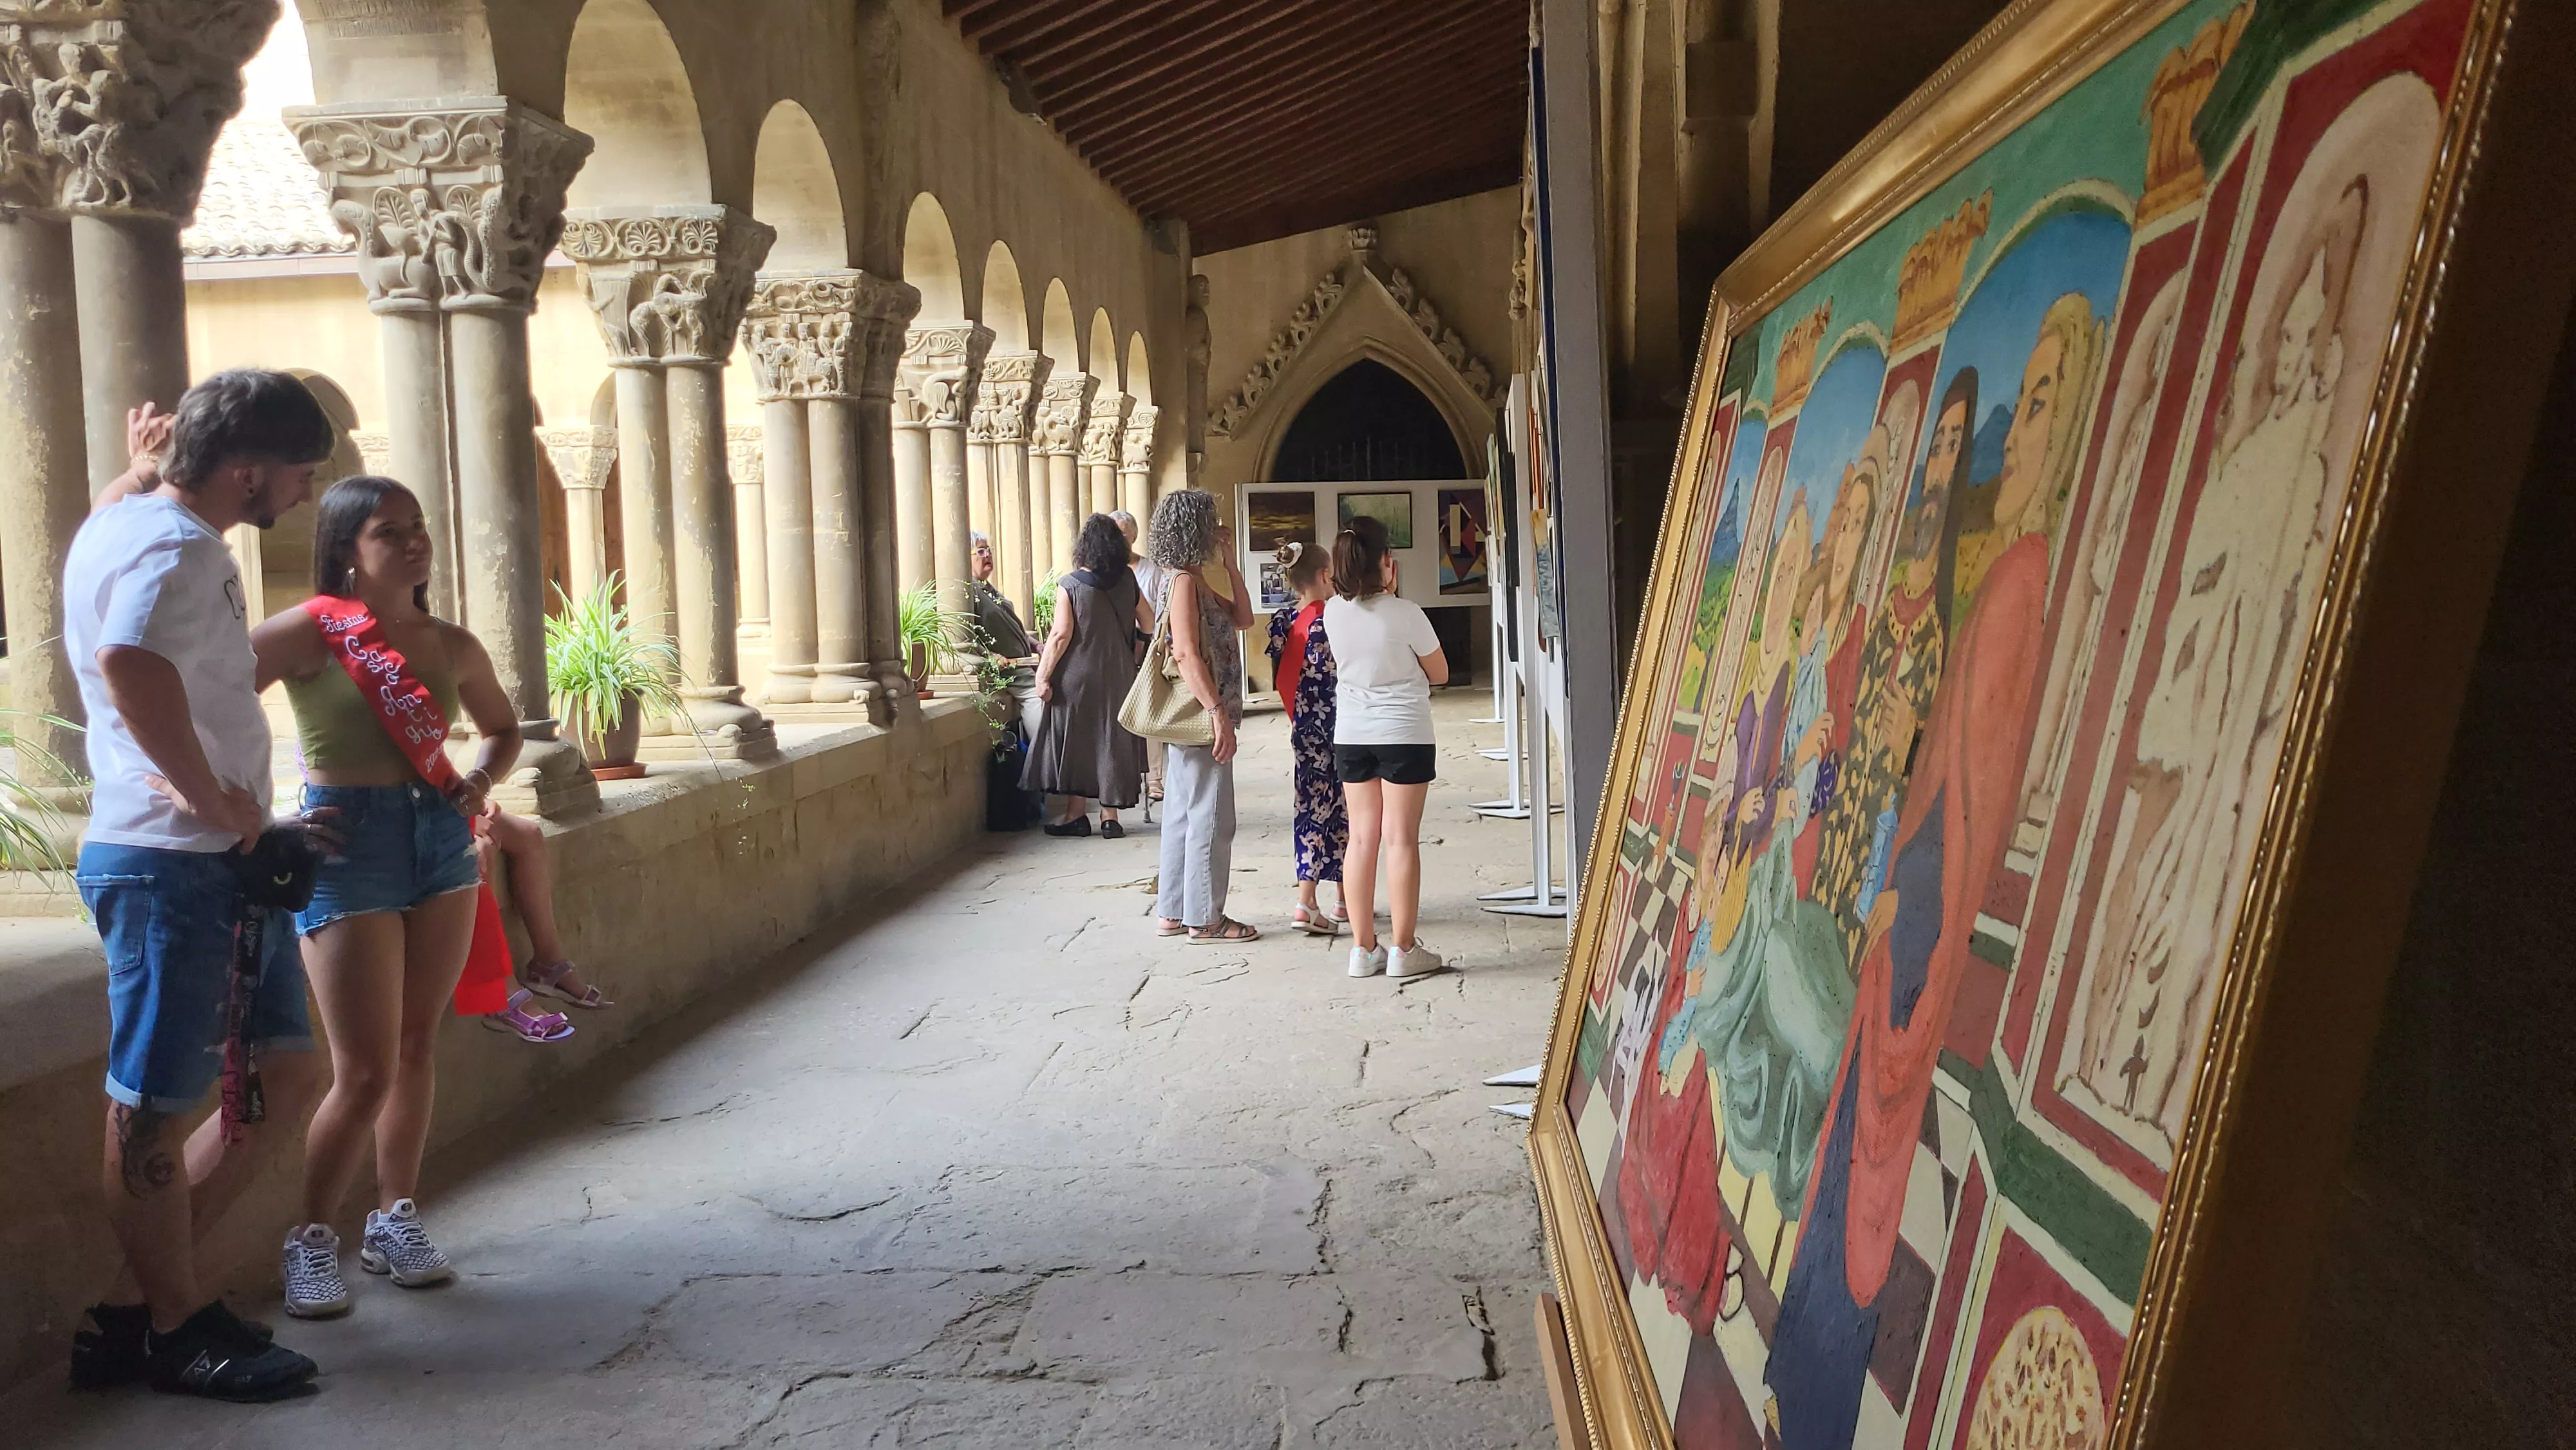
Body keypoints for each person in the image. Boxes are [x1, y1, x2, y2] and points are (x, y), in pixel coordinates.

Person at [62, 372, 335, 1399]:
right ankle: (174, 1329)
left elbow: (114, 534)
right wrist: (217, 803)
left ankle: (138, 1312)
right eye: (299, 474)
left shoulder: (133, 519)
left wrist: (134, 468)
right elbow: (126, 658)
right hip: (168, 860)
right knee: (154, 1106)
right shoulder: (171, 546)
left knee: (287, 1073)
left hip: (213, 865)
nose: (305, 494)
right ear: (248, 470)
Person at [252, 475, 527, 1320]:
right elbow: (204, 703)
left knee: (414, 1046)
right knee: (363, 1069)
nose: (413, 543)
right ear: (346, 548)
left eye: (418, 528)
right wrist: (261, 817)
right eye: (388, 531)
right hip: (348, 847)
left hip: (438, 844)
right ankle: (309, 1239)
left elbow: (504, 728)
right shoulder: (308, 633)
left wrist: (478, 779)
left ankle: (393, 1218)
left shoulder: (449, 642)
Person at [1324, 514, 1448, 980]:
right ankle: (1403, 949)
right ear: (1386, 562)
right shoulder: (1406, 612)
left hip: (1352, 733)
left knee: (1361, 839)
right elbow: (1439, 673)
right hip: (1405, 732)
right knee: (1400, 839)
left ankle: (1362, 950)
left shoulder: (1333, 612)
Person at [1148, 489, 1257, 942]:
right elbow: (1188, 653)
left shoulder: (1186, 578)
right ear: (1195, 528)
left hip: (1195, 714)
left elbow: (1244, 618)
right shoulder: (1184, 584)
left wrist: (1229, 561)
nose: (1217, 530)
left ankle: (1174, 910)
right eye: (1211, 524)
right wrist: (1217, 713)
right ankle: (1206, 918)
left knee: (1181, 814)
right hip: (1200, 714)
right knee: (1212, 816)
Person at [1024, 513, 1152, 838]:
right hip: (1120, 673)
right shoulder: (1128, 580)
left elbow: (1060, 636)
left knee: (1078, 741)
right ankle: (1111, 818)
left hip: (1078, 675)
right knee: (1111, 738)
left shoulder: (1070, 585)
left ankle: (1076, 815)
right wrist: (1134, 653)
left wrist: (1043, 676)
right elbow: (1149, 624)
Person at [1263, 540, 1347, 936]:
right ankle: (1338, 899)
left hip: (1306, 729)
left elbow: (1283, 678)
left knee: (1311, 807)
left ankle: (1308, 898)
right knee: (1349, 809)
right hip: (1343, 727)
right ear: (1324, 574)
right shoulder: (1333, 619)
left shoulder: (1284, 621)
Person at [1115, 508, 1168, 804]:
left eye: (1123, 532)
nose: (1120, 539)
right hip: (1119, 650)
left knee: (1150, 712)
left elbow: (1160, 612)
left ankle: (1156, 780)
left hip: (1147, 647)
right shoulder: (1106, 574)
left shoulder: (1151, 571)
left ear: (1134, 536)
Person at [967, 529, 1041, 737]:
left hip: (1023, 667)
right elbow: (965, 637)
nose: (988, 555)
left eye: (988, 550)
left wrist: (1036, 645)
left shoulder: (987, 588)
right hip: (1012, 673)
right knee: (1037, 697)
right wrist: (990, 657)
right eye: (980, 552)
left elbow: (1010, 627)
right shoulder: (967, 591)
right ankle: (1043, 757)